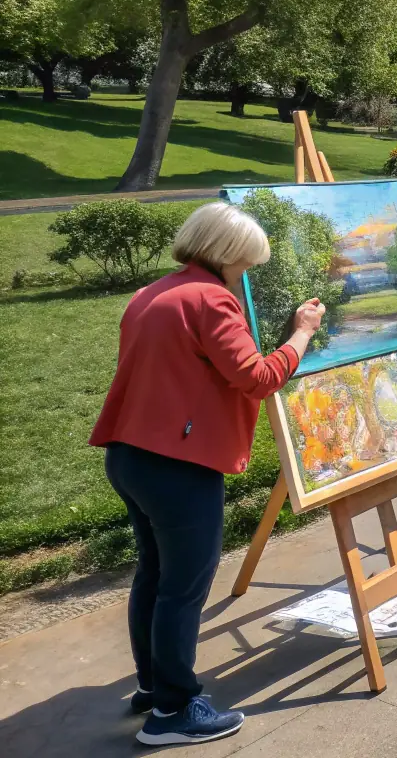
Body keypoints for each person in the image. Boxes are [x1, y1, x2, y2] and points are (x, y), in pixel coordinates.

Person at [89, 203, 325, 747]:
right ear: (228, 254)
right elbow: (259, 377)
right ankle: (173, 713)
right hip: (178, 466)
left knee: (155, 574)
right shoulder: (212, 299)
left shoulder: (153, 293)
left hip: (131, 456)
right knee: (184, 588)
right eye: (246, 263)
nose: (247, 274)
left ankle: (153, 686)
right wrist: (302, 333)